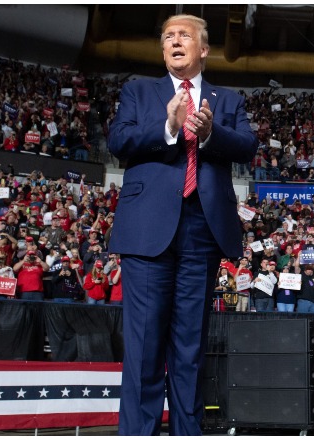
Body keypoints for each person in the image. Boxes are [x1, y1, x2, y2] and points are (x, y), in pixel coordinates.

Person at [108, 13, 257, 435]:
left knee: (190, 348)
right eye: (168, 36)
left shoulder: (227, 100)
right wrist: (168, 126)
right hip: (148, 230)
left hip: (203, 231)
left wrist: (211, 134)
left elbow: (247, 146)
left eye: (184, 36)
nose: (175, 41)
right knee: (144, 348)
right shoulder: (138, 91)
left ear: (203, 49)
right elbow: (118, 141)